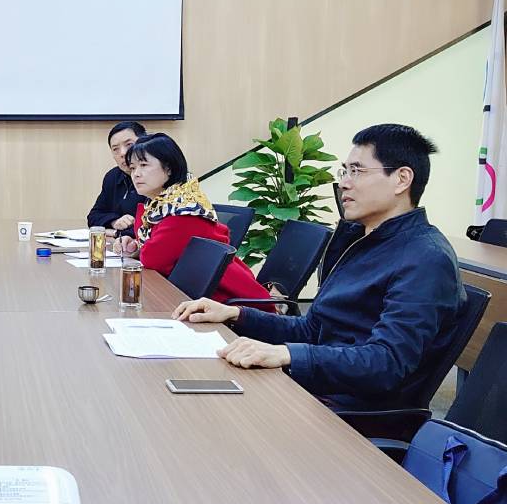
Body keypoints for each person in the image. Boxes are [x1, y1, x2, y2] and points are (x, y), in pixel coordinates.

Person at [174, 124, 465, 410]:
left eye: (357, 171)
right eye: (344, 171)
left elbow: (386, 363)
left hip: (347, 412)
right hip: (315, 389)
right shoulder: (360, 239)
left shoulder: (425, 258)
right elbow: (313, 329)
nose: (344, 183)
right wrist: (237, 314)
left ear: (401, 179)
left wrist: (288, 355)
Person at [113, 133, 273, 309]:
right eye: (133, 168)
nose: (136, 174)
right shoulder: (163, 205)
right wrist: (136, 246)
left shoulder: (183, 212)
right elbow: (157, 250)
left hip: (231, 306)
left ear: (169, 168)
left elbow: (152, 259)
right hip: (196, 299)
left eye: (144, 165)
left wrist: (141, 249)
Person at [87, 122, 149, 238]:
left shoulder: (154, 177)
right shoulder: (113, 176)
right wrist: (114, 222)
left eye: (129, 145)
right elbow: (93, 217)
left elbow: (152, 227)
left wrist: (115, 233)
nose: (123, 153)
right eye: (115, 149)